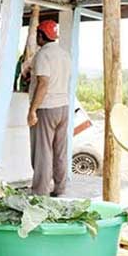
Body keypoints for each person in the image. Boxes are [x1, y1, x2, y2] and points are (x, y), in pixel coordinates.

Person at [27, 19, 72, 197]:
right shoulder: (64, 54)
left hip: (46, 108)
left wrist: (32, 110)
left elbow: (43, 83)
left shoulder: (42, 55)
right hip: (63, 106)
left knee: (43, 151)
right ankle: (60, 189)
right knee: (60, 150)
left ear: (40, 35)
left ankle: (40, 191)